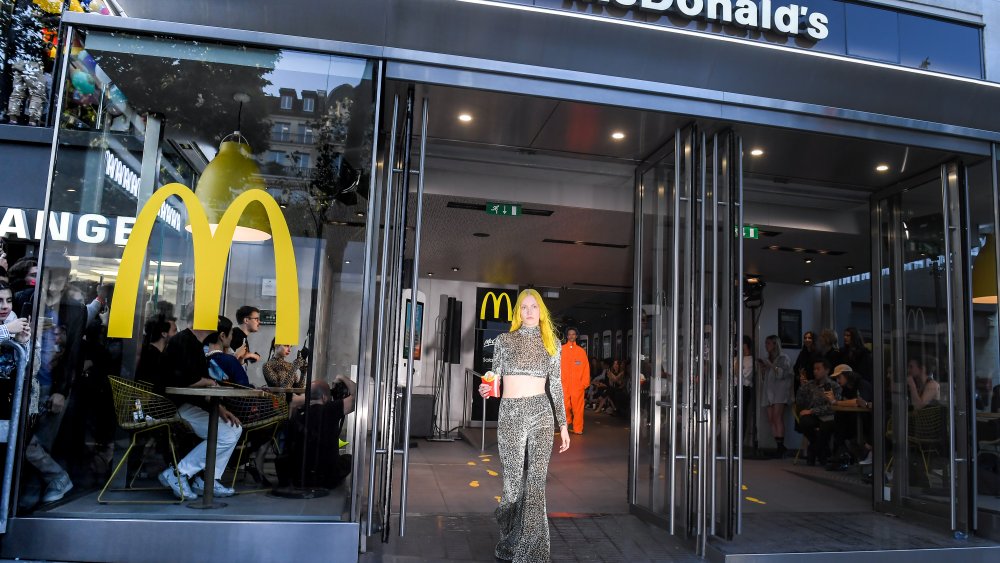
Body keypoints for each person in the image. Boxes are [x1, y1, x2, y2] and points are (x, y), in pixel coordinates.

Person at [477, 288, 569, 563]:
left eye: (534, 307)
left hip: (541, 413)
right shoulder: (504, 341)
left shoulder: (552, 342)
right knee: (513, 486)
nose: (529, 311)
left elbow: (556, 385)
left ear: (541, 312)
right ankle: (511, 538)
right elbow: (494, 378)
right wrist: (486, 389)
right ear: (518, 312)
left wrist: (563, 425)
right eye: (524, 307)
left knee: (537, 483)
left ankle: (533, 551)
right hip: (511, 414)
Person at [20, 254, 87, 506]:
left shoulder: (74, 309)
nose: (57, 280)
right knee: (25, 442)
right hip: (26, 381)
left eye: (63, 274)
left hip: (52, 381)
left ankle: (36, 488)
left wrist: (62, 389)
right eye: (52, 273)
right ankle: (51, 480)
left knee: (40, 442)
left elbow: (74, 354)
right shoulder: (25, 300)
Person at [157, 317, 243, 500]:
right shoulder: (183, 342)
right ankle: (180, 473)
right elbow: (179, 379)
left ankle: (206, 478)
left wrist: (219, 409)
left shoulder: (192, 343)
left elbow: (193, 380)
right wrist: (206, 381)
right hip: (173, 406)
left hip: (186, 404)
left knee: (234, 429)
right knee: (226, 434)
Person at [276, 376, 357, 488]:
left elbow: (292, 405)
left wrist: (301, 400)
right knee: (349, 459)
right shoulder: (330, 409)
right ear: (324, 397)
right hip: (325, 478)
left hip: (299, 478)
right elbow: (357, 398)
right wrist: (342, 377)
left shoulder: (296, 414)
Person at [796, 358, 842, 466]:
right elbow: (800, 402)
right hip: (813, 415)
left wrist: (812, 411)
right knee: (804, 422)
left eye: (818, 369)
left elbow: (833, 406)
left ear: (826, 370)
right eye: (814, 369)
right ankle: (822, 450)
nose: (815, 371)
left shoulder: (834, 386)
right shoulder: (810, 384)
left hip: (828, 416)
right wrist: (802, 387)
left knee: (826, 427)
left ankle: (813, 450)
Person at [828, 366, 874, 470]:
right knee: (839, 417)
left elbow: (858, 402)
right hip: (853, 419)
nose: (837, 380)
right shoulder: (846, 388)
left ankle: (845, 452)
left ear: (847, 375)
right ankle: (841, 451)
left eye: (839, 377)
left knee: (841, 419)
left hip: (867, 419)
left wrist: (836, 402)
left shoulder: (862, 384)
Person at [757, 335, 792, 457]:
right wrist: (763, 369)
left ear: (775, 344)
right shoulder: (769, 359)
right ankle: (778, 445)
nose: (766, 346)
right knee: (771, 418)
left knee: (777, 418)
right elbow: (766, 378)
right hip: (769, 391)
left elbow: (783, 374)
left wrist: (771, 365)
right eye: (765, 343)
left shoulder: (783, 358)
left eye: (768, 343)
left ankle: (781, 446)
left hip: (780, 392)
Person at [560, 327, 590, 435]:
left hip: (578, 385)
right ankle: (567, 422)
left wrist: (584, 383)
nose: (571, 336)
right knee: (565, 406)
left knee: (578, 408)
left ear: (576, 336)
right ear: (567, 336)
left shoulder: (581, 352)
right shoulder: (561, 349)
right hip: (564, 384)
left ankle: (578, 429)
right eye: (569, 334)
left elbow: (586, 368)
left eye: (573, 334)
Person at [205, 316, 250, 387]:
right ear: (222, 336)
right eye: (231, 333)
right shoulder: (230, 361)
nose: (232, 337)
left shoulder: (200, 358)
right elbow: (245, 387)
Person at [135, 315, 175, 386]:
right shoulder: (154, 357)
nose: (177, 333)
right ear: (164, 334)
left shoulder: (147, 351)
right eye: (174, 330)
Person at [792, 331, 816, 396]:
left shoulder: (817, 353)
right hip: (802, 383)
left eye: (809, 338)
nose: (807, 339)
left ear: (813, 340)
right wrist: (799, 376)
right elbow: (795, 367)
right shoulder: (802, 353)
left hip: (813, 384)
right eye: (805, 338)